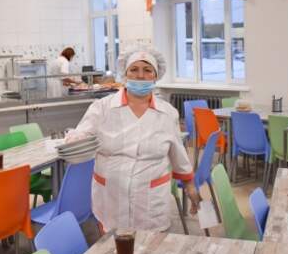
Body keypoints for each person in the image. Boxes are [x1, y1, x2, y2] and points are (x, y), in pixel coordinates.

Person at [67, 47, 199, 231]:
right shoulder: (102, 108)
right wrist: (74, 141)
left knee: (151, 245)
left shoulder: (168, 113)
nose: (140, 75)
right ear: (125, 74)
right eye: (134, 69)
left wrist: (189, 185)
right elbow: (81, 135)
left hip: (151, 200)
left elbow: (178, 152)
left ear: (156, 75)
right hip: (111, 197)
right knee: (112, 245)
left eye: (147, 70)